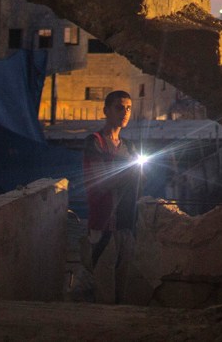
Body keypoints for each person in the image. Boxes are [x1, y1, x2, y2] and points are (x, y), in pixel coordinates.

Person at [82, 89, 142, 303]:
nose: (124, 113)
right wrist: (130, 171)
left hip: (127, 226)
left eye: (128, 108)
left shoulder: (129, 147)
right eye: (119, 108)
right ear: (106, 110)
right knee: (105, 295)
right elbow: (100, 183)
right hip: (104, 227)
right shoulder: (95, 142)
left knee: (122, 294)